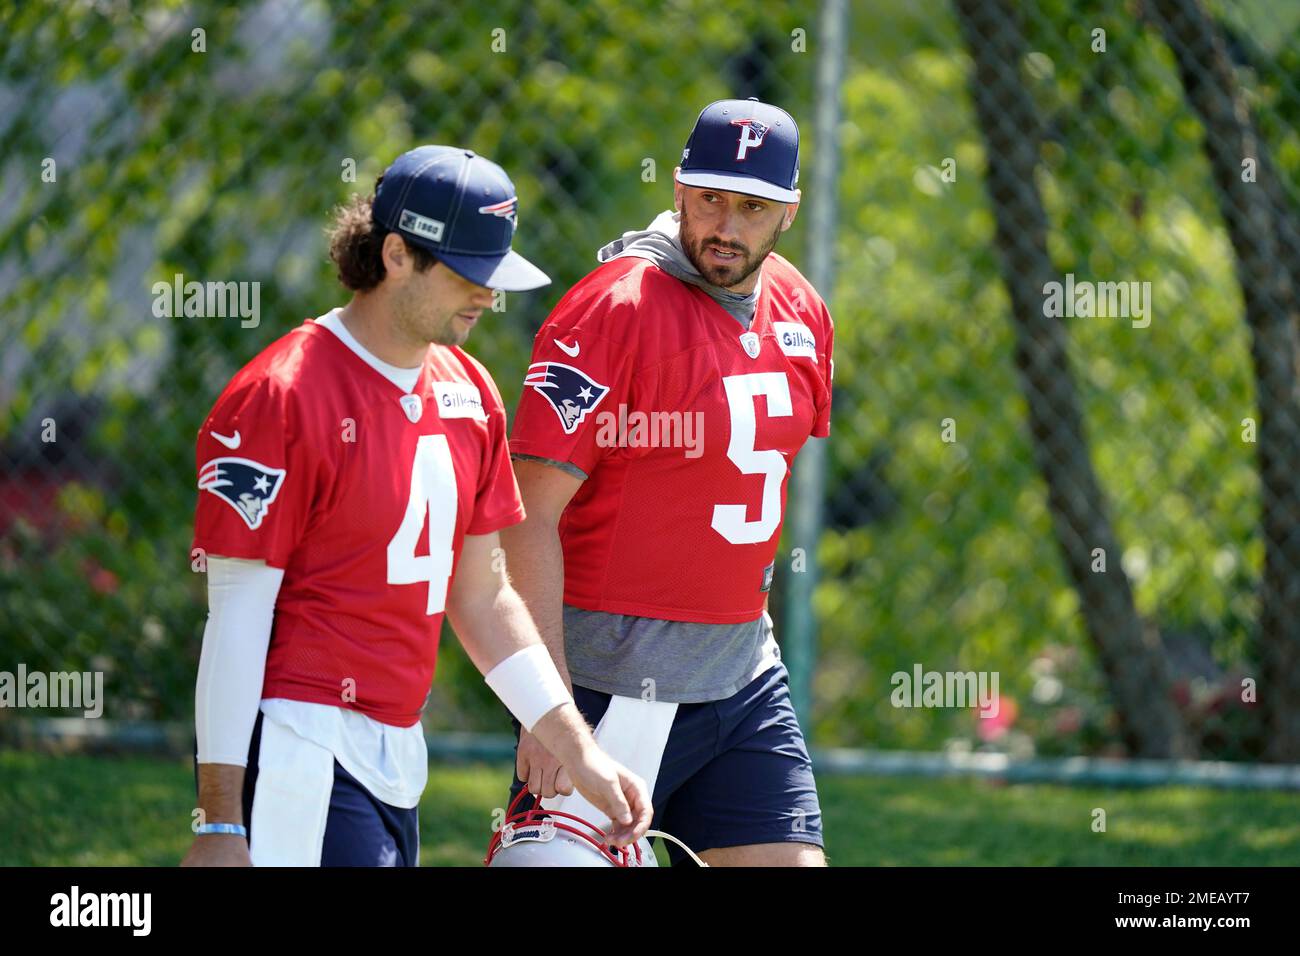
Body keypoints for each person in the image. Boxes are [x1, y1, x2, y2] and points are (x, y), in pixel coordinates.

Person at [181, 145, 650, 867]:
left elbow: (484, 593)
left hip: (398, 753)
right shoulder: (281, 395)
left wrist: (576, 748)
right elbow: (237, 616)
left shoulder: (470, 392)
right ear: (396, 254)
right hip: (300, 746)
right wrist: (218, 824)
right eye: (469, 273)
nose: (488, 296)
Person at [502, 99, 834, 866]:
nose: (727, 224)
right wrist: (546, 707)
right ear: (679, 189)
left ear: (788, 211)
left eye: (752, 207)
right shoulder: (612, 309)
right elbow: (526, 516)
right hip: (604, 680)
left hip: (742, 675)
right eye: (711, 197)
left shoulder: (802, 311)